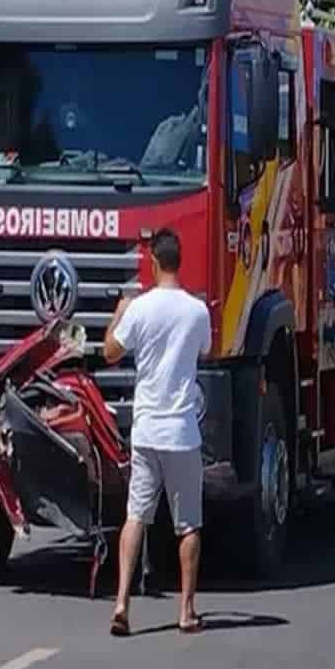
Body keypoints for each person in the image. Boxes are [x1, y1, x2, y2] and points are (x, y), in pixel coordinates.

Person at [103, 228, 212, 637]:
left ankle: (121, 603)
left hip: (146, 429)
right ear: (178, 261)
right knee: (188, 525)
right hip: (182, 432)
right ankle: (186, 611)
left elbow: (109, 353)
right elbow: (205, 351)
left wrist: (118, 314)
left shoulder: (139, 309)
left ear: (152, 262)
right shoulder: (197, 311)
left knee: (136, 517)